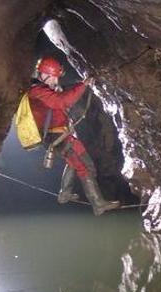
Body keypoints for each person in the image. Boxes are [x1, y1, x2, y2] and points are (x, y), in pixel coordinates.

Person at [28, 56, 120, 215]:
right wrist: (83, 85)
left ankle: (65, 193)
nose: (56, 81)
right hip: (56, 138)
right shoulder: (37, 91)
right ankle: (98, 204)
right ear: (44, 74)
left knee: (86, 164)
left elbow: (59, 104)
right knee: (82, 167)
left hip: (65, 135)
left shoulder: (45, 90)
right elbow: (62, 102)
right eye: (54, 77)